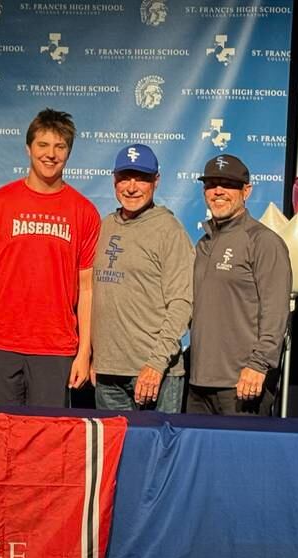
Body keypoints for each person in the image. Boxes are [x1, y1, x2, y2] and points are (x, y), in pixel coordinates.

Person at [0, 108, 101, 407]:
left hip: (54, 347)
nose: (50, 154)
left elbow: (88, 287)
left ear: (69, 152)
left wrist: (84, 352)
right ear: (28, 148)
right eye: (43, 145)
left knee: (45, 445)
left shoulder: (84, 212)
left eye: (60, 146)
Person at [91, 144, 193, 413]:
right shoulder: (105, 226)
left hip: (154, 374)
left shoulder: (169, 230)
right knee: (115, 456)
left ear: (156, 182)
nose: (132, 187)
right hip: (108, 375)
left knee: (157, 455)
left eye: (142, 178)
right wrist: (94, 358)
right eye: (125, 177)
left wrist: (156, 364)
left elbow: (182, 304)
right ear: (114, 180)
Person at [188, 154, 292, 416]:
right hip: (198, 383)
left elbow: (276, 312)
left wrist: (259, 365)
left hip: (242, 383)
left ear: (246, 191)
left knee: (241, 458)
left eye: (228, 184)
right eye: (212, 184)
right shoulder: (203, 244)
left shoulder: (264, 242)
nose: (218, 191)